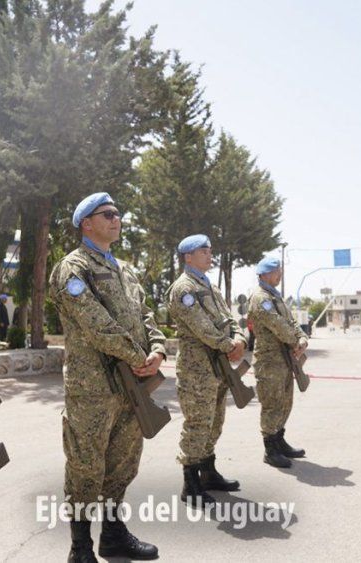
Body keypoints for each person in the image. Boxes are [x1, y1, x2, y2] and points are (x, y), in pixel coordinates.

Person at [49, 192, 165, 563]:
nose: (117, 219)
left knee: (123, 463)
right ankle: (80, 547)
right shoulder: (73, 268)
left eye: (118, 214)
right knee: (86, 466)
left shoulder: (126, 269)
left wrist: (158, 351)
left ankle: (113, 535)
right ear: (87, 223)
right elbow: (96, 323)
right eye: (108, 214)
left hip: (131, 385)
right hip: (92, 387)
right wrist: (138, 357)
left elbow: (146, 317)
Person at [165, 234, 246, 506]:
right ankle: (191, 483)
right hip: (196, 369)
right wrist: (228, 344)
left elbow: (229, 318)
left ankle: (209, 473)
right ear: (188, 257)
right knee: (198, 423)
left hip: (218, 366)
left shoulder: (210, 286)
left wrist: (240, 338)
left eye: (210, 250)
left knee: (215, 422)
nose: (210, 255)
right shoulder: (184, 289)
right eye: (203, 251)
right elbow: (201, 326)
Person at [247, 256, 308, 469]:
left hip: (284, 360)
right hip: (269, 361)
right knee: (272, 404)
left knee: (285, 402)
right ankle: (270, 449)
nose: (279, 275)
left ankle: (279, 440)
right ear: (264, 274)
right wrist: (294, 341)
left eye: (280, 271)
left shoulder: (276, 296)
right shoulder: (260, 297)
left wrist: (301, 338)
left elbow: (291, 321)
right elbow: (277, 324)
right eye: (276, 272)